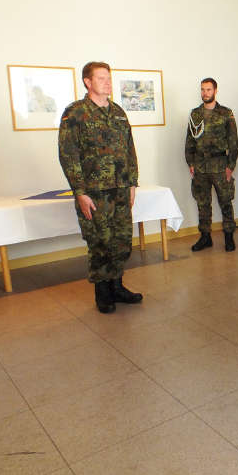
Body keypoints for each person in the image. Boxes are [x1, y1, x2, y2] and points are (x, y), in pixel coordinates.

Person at [58, 61, 141, 314]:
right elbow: (68, 155)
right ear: (88, 82)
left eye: (108, 78)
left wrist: (132, 183)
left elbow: (130, 149)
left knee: (122, 241)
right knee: (100, 242)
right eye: (102, 78)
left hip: (120, 189)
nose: (107, 82)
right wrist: (80, 192)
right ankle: (102, 293)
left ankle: (117, 286)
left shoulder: (118, 112)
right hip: (94, 193)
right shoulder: (75, 113)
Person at [185, 77, 238, 252]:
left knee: (225, 201)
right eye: (202, 89)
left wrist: (230, 166)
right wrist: (190, 162)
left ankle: (229, 236)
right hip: (200, 165)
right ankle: (205, 237)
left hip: (220, 164)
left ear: (215, 91)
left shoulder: (226, 113)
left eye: (208, 89)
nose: (205, 93)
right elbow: (189, 140)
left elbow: (233, 142)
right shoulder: (195, 113)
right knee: (202, 203)